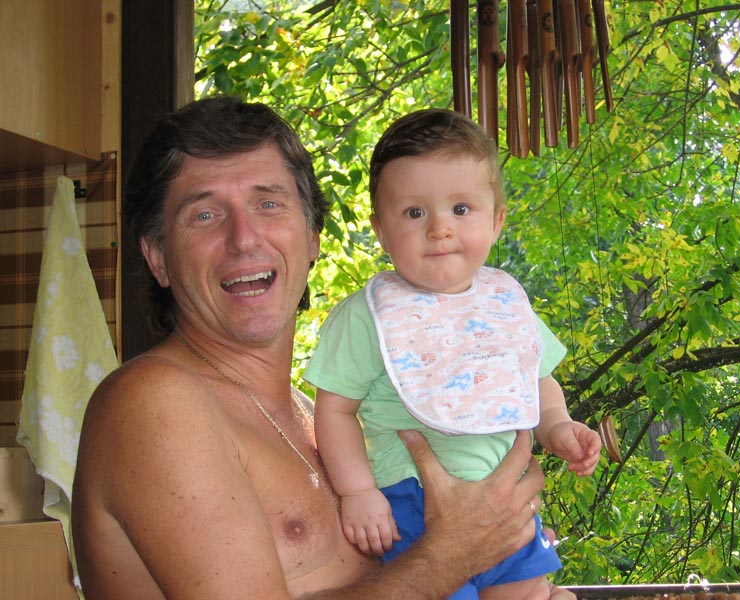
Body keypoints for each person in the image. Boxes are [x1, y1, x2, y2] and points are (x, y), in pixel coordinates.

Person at [71, 96, 559, 600]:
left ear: (312, 238)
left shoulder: (318, 419)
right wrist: (456, 552)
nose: (244, 238)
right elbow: (447, 554)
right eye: (205, 215)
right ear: (158, 258)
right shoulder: (154, 401)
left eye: (268, 204)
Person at [305, 108, 601, 600]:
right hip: (413, 507)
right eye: (414, 213)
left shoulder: (505, 303)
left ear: (497, 220)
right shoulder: (368, 317)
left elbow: (535, 377)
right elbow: (334, 409)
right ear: (380, 230)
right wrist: (357, 491)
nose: (439, 228)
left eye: (461, 209)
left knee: (534, 594)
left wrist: (557, 426)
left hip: (506, 503)